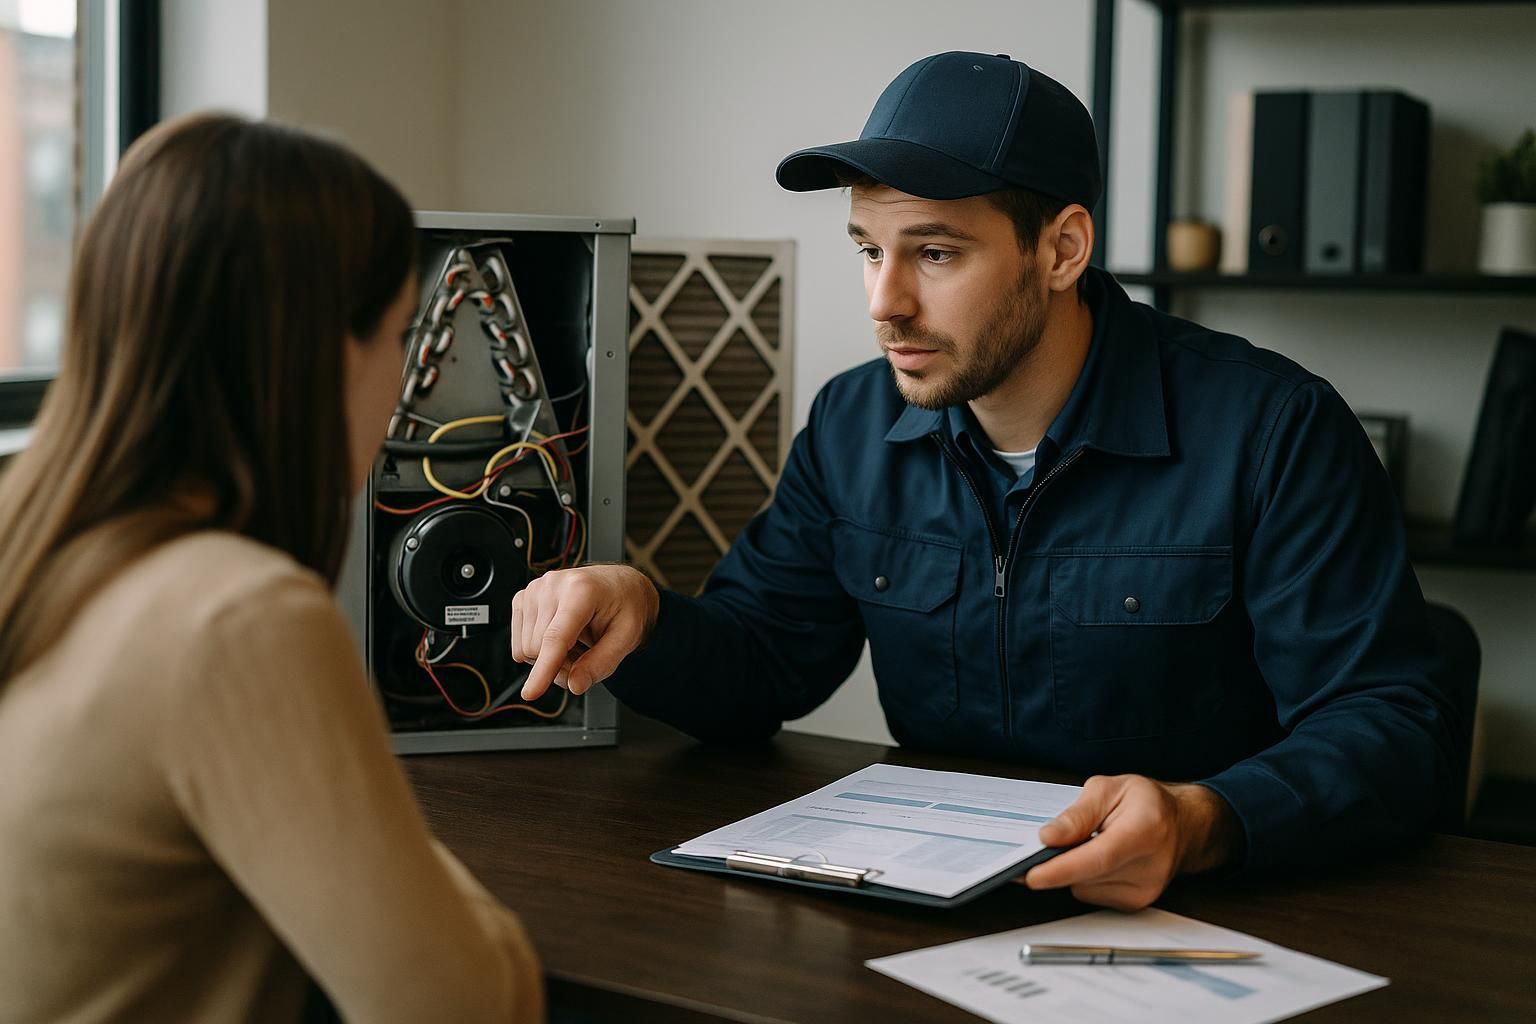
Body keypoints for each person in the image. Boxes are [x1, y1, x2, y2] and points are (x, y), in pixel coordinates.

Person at [510, 52, 1457, 911]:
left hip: (1197, 913)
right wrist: (645, 613)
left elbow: (1392, 725)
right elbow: (763, 665)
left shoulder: (1271, 427)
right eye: (869, 251)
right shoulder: (852, 425)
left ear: (1061, 250)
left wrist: (1204, 820)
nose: (885, 302)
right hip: (928, 909)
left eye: (935, 252)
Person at [0, 114, 542, 1022]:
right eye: (406, 335)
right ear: (332, 357)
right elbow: (470, 1007)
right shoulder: (239, 620)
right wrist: (389, 840)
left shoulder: (33, 549)